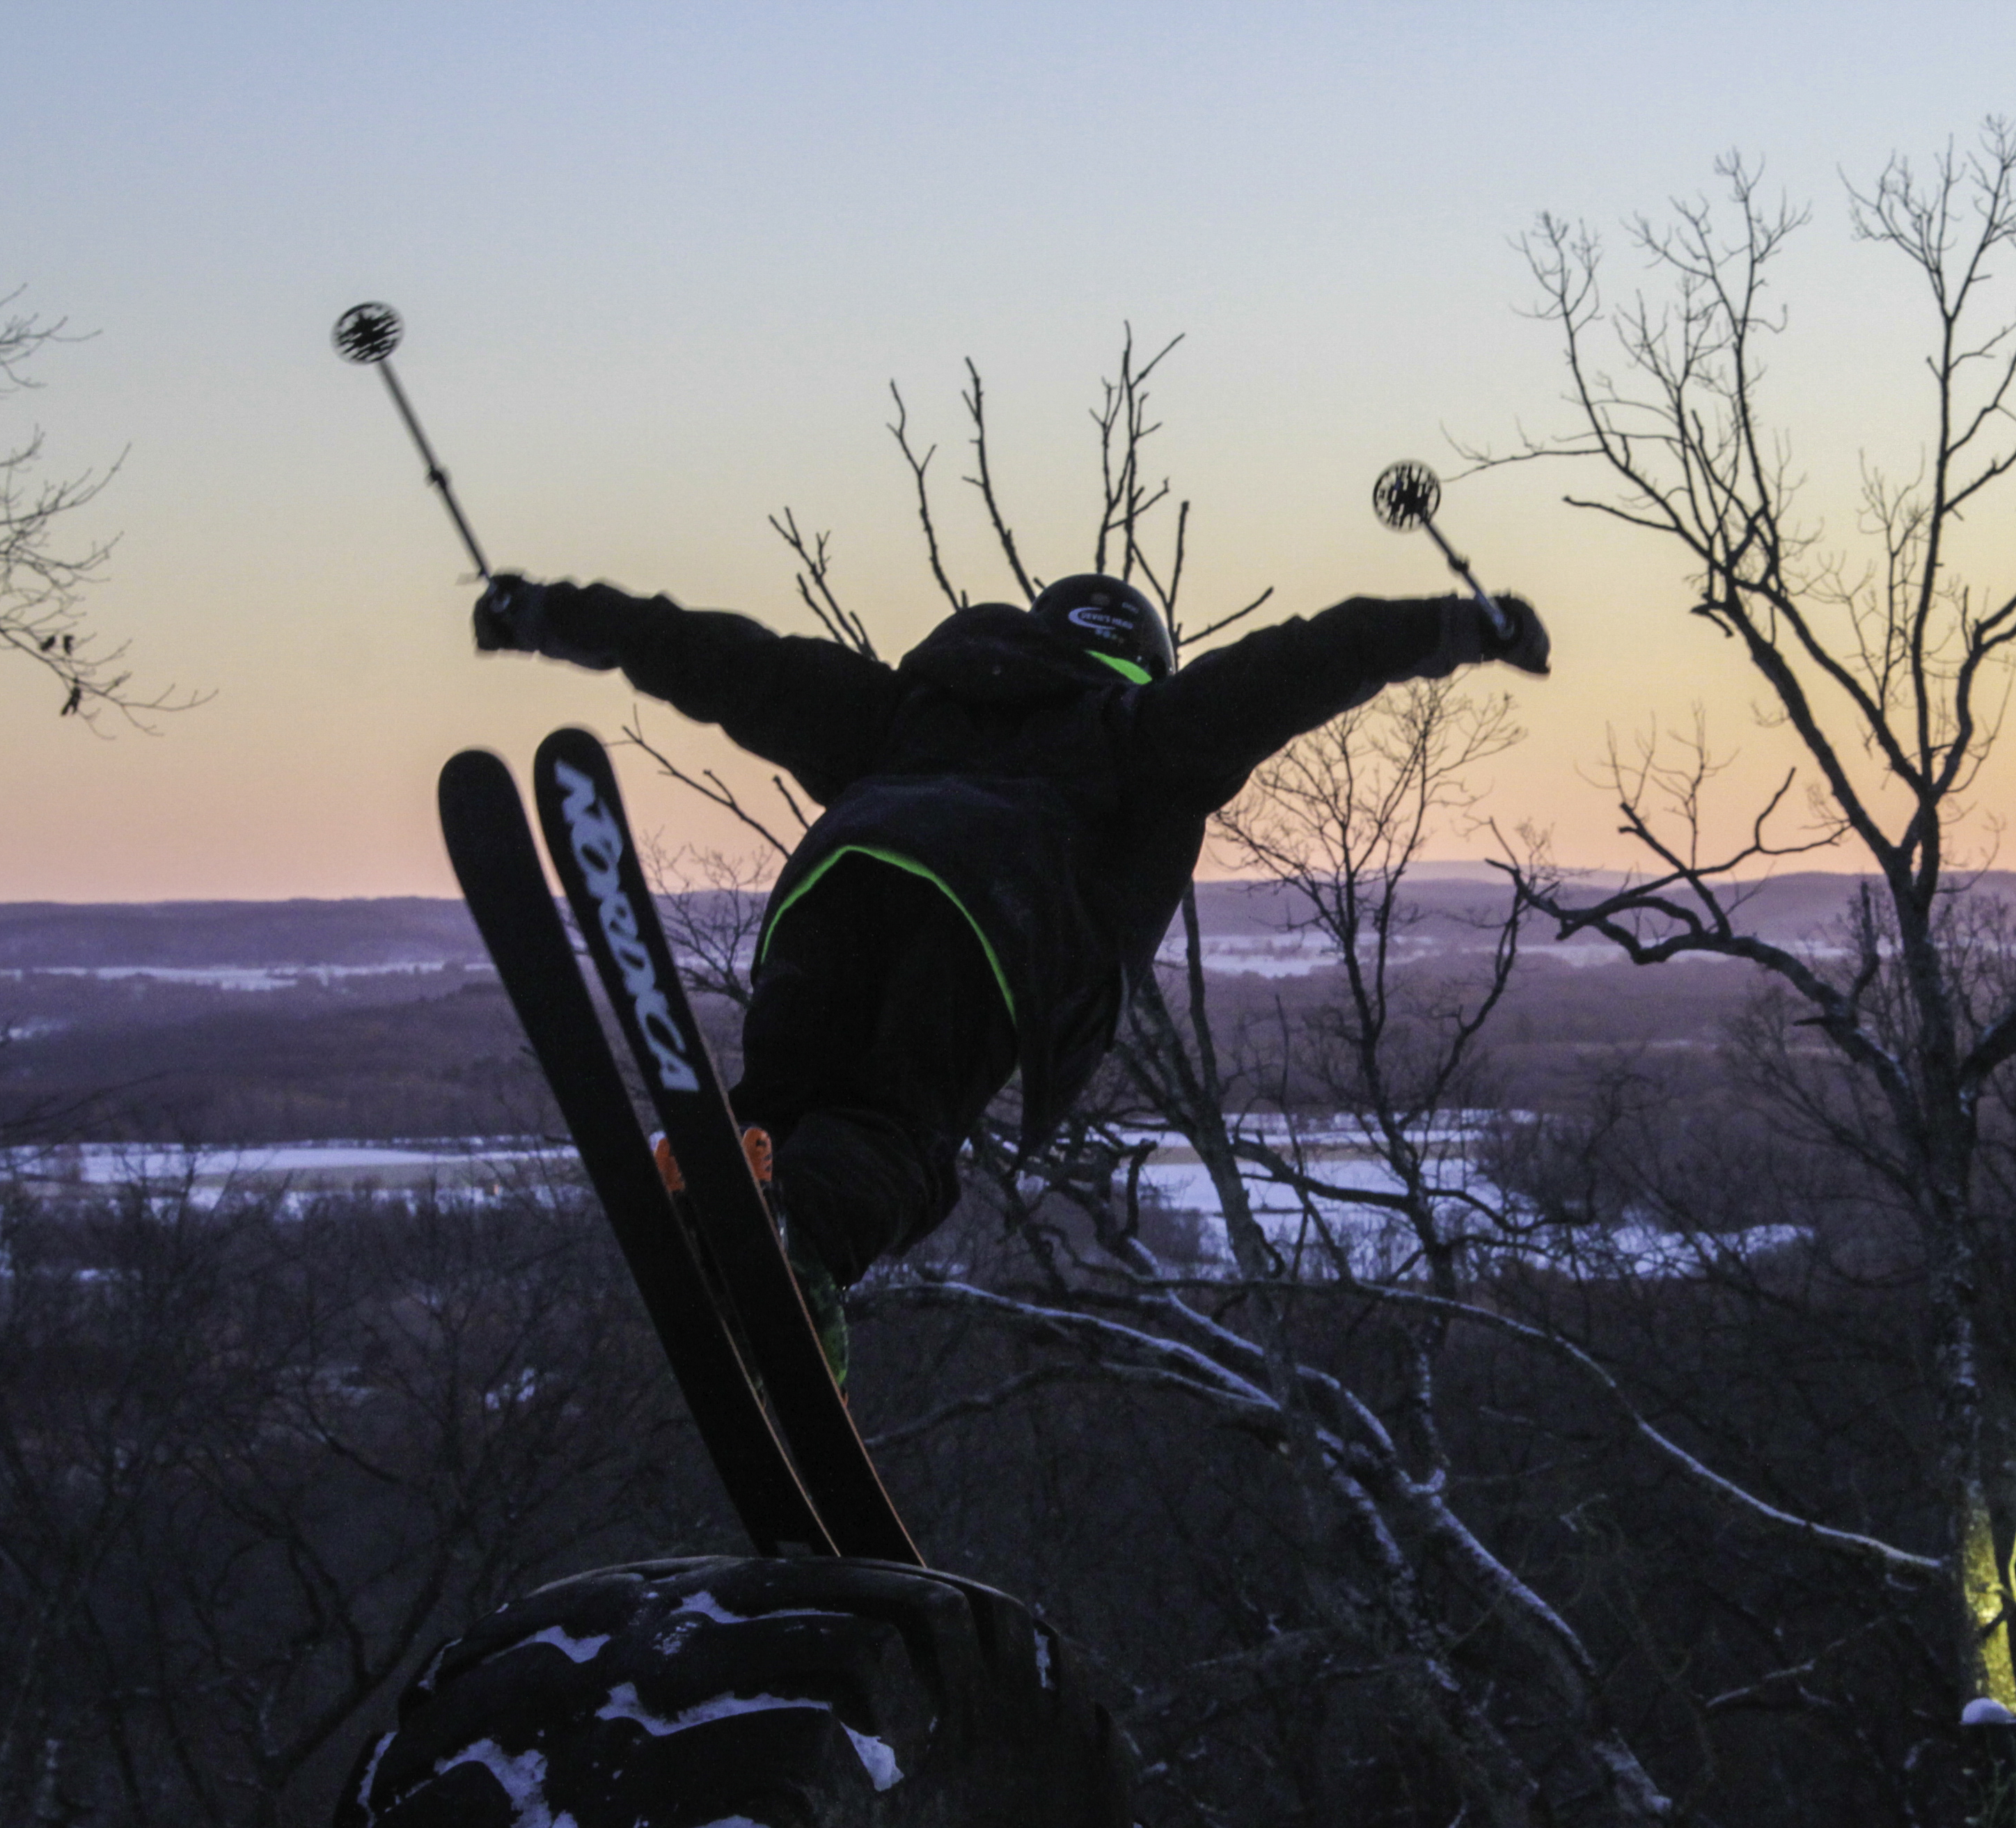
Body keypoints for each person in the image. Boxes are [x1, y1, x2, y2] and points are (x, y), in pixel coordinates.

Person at [473, 566, 1548, 1376]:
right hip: (993, 930)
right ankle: (798, 1241)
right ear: (1144, 660)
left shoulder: (906, 709)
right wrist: (1457, 628)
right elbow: (1293, 667)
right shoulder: (1140, 731)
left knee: (790, 1097)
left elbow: (730, 662)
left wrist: (556, 617)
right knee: (901, 1126)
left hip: (831, 891)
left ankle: (725, 1185)